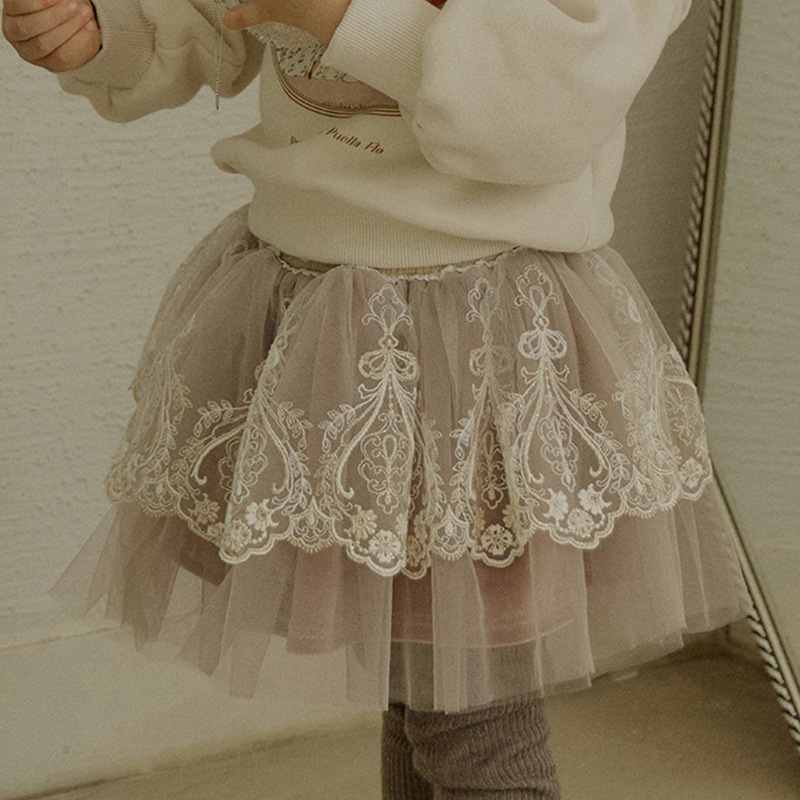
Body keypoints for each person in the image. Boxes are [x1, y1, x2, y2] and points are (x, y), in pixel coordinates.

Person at [4, 0, 753, 797]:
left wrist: (342, 18)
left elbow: (545, 101)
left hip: (477, 340)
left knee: (471, 721)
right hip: (325, 320)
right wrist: (101, 30)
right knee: (420, 686)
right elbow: (206, 18)